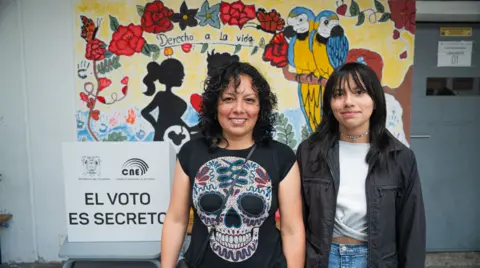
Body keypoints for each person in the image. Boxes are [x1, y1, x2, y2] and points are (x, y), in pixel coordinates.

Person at [161, 61, 305, 268]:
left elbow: (292, 229)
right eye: (228, 99)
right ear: (215, 106)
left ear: (260, 107)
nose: (239, 109)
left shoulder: (281, 157)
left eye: (249, 100)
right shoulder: (191, 153)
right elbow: (176, 220)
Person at [296, 62, 426, 268]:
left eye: (359, 92)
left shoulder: (400, 157)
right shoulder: (309, 152)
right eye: (339, 94)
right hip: (322, 259)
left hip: (375, 261)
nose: (348, 102)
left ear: (375, 101)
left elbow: (412, 229)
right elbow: (296, 221)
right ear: (330, 104)